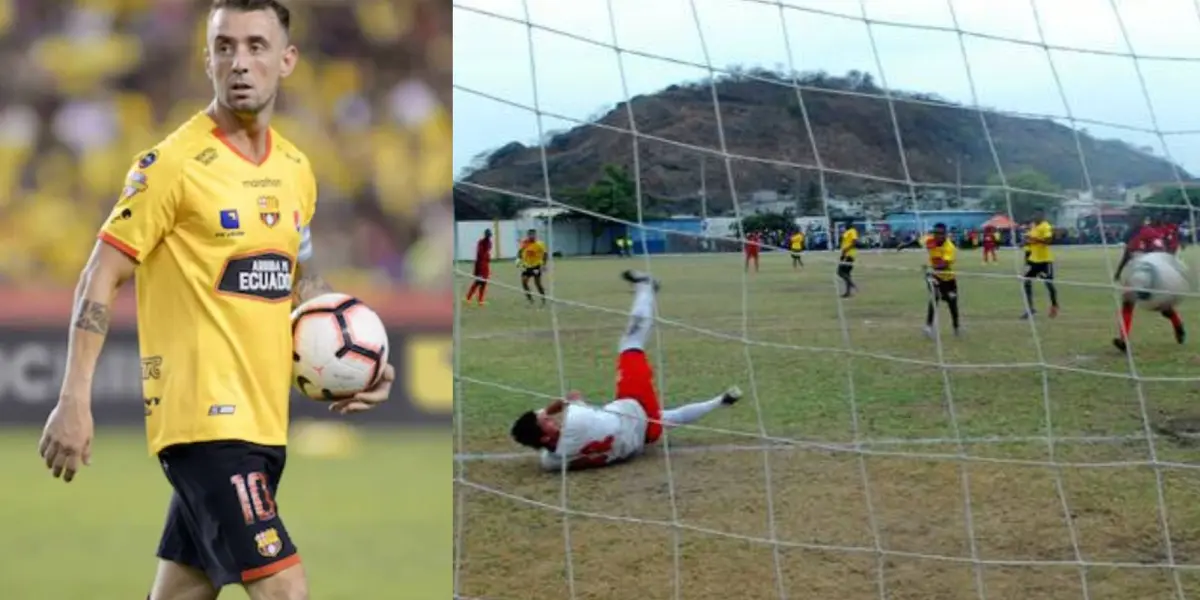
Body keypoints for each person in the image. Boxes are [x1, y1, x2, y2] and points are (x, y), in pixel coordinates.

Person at [36, 2, 395, 599]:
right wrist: (73, 399)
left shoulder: (296, 169)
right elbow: (100, 275)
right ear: (207, 60)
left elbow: (304, 282)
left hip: (263, 422)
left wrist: (360, 360)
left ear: (287, 60)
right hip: (204, 424)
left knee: (183, 590)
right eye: (224, 47)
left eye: (256, 46)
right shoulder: (170, 166)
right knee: (286, 588)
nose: (240, 62)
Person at [509, 270, 741, 470]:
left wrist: (541, 422)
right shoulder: (576, 423)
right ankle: (646, 287)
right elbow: (573, 396)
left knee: (670, 418)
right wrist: (549, 409)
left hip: (642, 437)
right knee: (630, 344)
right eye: (547, 421)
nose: (552, 419)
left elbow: (548, 442)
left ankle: (720, 401)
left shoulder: (551, 462)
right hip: (635, 408)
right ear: (544, 436)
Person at [1111, 217, 1186, 353]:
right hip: (1135, 273)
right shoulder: (1131, 233)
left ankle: (1177, 324)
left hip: (1151, 274)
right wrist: (1119, 271)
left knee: (1162, 307)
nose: (1130, 221)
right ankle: (1123, 340)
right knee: (1127, 304)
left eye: (1133, 218)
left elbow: (1160, 253)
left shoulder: (1150, 233)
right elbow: (1127, 253)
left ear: (1140, 219)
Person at [921, 223, 962, 338]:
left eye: (940, 233)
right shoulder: (929, 240)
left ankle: (956, 327)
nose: (937, 236)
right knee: (934, 298)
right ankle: (928, 327)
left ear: (945, 234)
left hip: (948, 279)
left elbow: (944, 265)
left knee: (952, 302)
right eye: (935, 233)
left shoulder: (950, 247)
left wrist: (931, 268)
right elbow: (918, 241)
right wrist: (904, 244)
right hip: (935, 277)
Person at [1021, 210, 1059, 319]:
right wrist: (1025, 242)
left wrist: (1034, 240)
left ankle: (1054, 306)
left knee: (1048, 284)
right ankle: (1030, 309)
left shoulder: (1045, 226)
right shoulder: (1034, 227)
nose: (1035, 216)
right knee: (1026, 281)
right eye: (1034, 214)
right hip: (1034, 260)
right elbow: (1029, 239)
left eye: (1038, 214)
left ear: (1042, 215)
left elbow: (1048, 241)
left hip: (1045, 261)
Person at [517, 228, 548, 306]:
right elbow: (520, 252)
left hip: (536, 266)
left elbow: (545, 254)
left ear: (535, 235)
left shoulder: (540, 244)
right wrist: (518, 260)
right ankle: (530, 300)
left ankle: (543, 299)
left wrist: (544, 265)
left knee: (537, 284)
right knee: (524, 282)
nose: (531, 236)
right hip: (527, 266)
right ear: (528, 235)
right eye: (530, 234)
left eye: (533, 234)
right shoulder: (525, 243)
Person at [464, 228, 492, 306]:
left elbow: (487, 253)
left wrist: (488, 257)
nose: (488, 237)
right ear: (485, 235)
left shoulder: (489, 243)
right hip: (480, 265)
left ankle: (480, 300)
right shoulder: (481, 242)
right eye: (488, 235)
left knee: (484, 283)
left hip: (485, 265)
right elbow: (480, 254)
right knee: (477, 282)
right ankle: (468, 298)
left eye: (489, 235)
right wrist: (487, 257)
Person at [838, 224, 859, 298]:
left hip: (849, 254)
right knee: (847, 273)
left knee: (840, 272)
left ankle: (853, 285)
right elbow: (844, 242)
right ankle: (848, 292)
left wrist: (846, 249)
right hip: (845, 254)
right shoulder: (846, 232)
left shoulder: (852, 231)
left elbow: (854, 241)